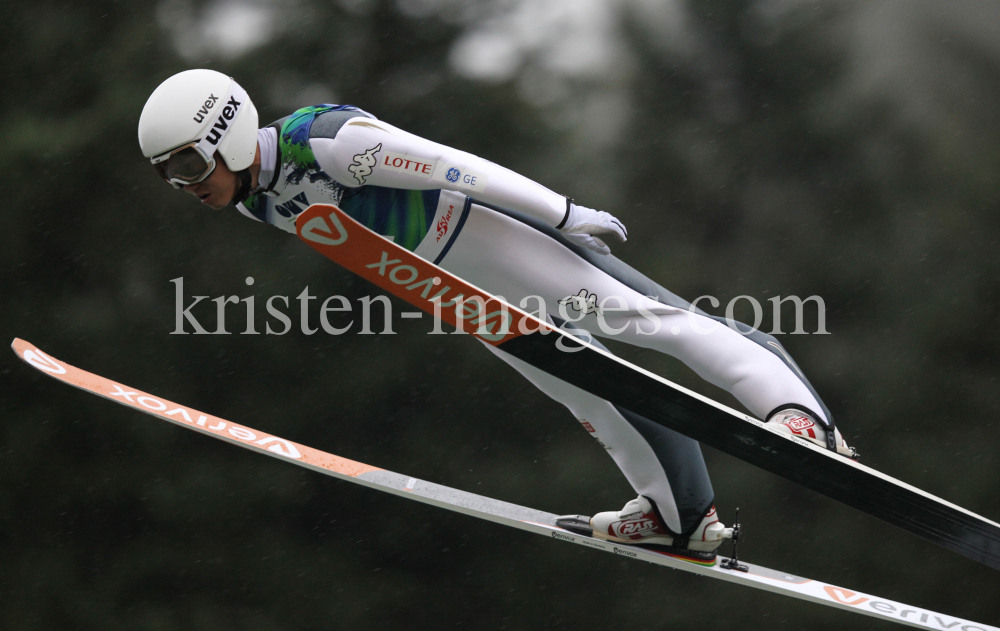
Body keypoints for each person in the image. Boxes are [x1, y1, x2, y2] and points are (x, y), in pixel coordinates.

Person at [138, 69, 854, 564]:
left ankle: (797, 415)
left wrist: (563, 212)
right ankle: (680, 516)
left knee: (647, 320)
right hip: (458, 289)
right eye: (169, 176)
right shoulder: (258, 198)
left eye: (188, 166)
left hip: (504, 243)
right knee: (590, 394)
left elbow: (460, 167)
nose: (185, 186)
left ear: (224, 133)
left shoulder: (323, 140)